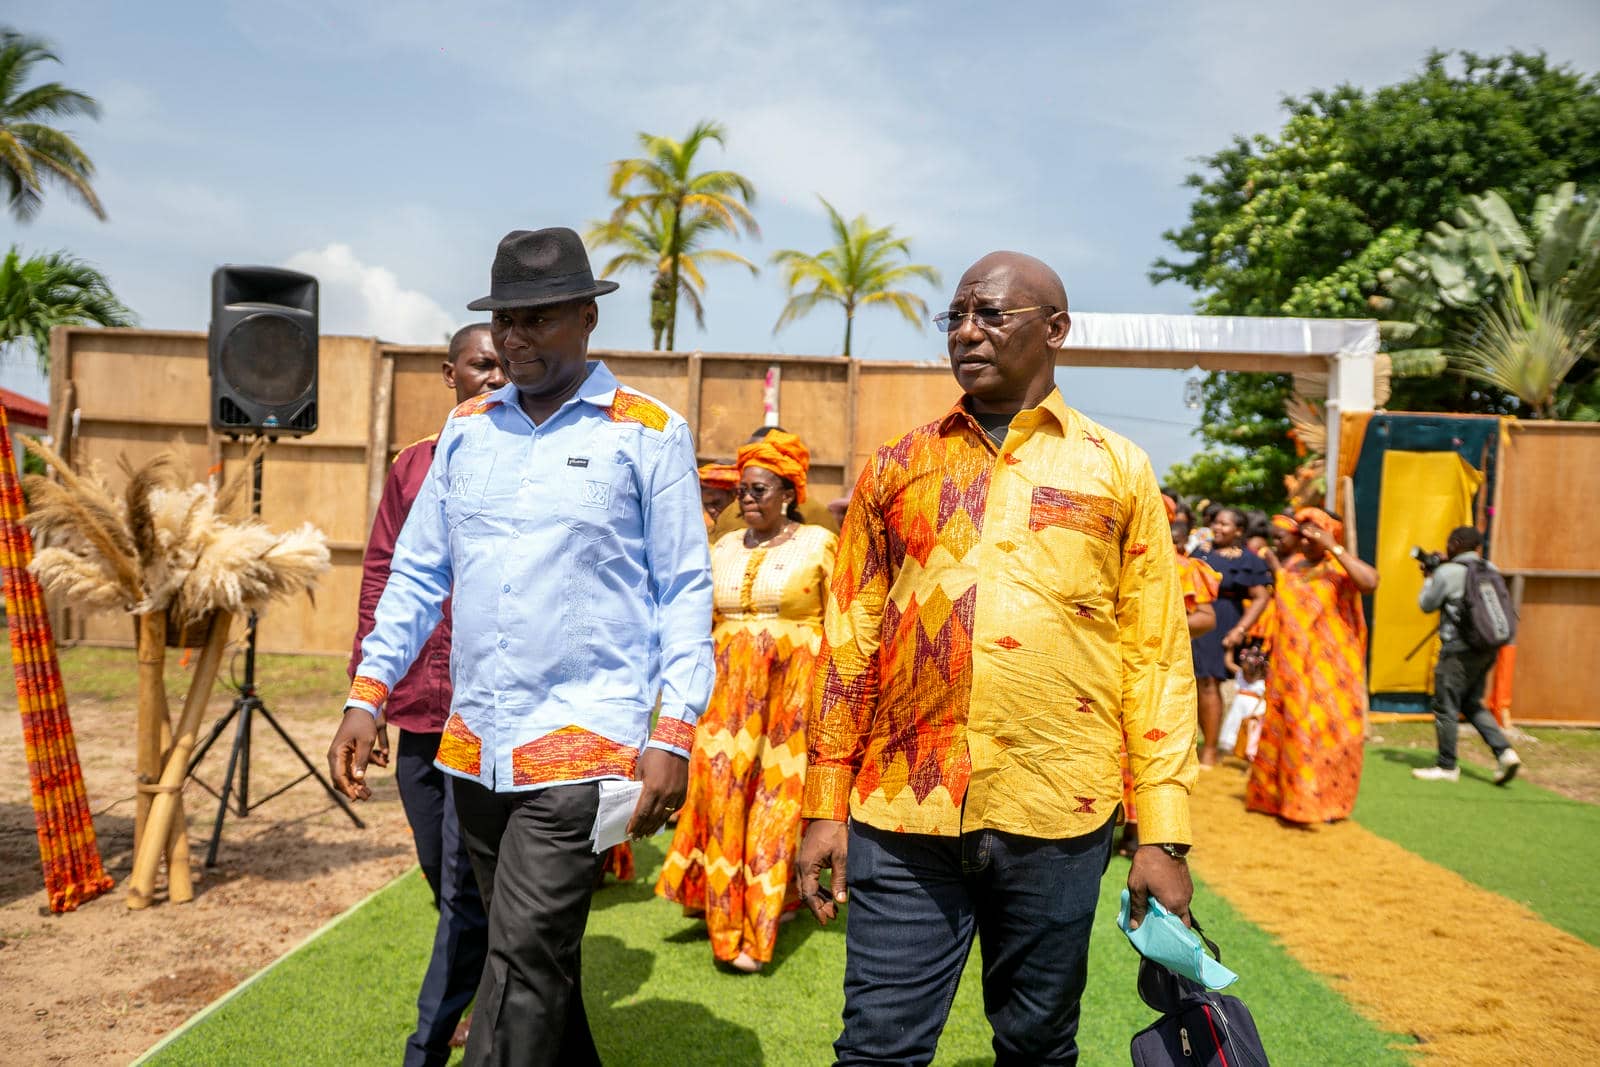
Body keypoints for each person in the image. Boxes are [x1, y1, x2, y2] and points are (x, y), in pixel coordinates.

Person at [797, 251, 1198, 1065]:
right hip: (904, 810)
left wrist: (1162, 832)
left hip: (1059, 811)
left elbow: (1155, 655)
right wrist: (823, 801)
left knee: (1037, 1045)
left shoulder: (1116, 468)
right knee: (876, 1048)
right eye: (956, 316)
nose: (966, 331)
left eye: (990, 314)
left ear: (1055, 329)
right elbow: (849, 639)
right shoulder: (897, 465)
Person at [326, 227, 713, 1067]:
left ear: (587, 318)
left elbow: (684, 591)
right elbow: (417, 573)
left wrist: (674, 731)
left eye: (537, 318)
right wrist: (368, 692)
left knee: (523, 961)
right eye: (505, 319)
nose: (515, 337)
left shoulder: (646, 432)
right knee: (528, 949)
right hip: (476, 747)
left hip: (581, 744)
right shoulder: (467, 430)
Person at [348, 323, 499, 1065]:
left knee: (468, 876)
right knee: (441, 869)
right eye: (480, 365)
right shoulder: (413, 465)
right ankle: (489, 981)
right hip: (416, 705)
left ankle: (461, 1019)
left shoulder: (525, 457)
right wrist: (367, 694)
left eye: (503, 365)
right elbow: (382, 573)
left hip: (487, 714)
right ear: (450, 373)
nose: (495, 377)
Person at [657, 430, 837, 973]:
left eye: (759, 490)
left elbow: (840, 624)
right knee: (721, 800)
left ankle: (757, 934)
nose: (748, 499)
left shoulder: (819, 545)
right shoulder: (723, 548)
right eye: (743, 491)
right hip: (725, 701)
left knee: (775, 808)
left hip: (790, 703)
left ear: (788, 493)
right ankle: (721, 918)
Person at [1246, 507, 1379, 824]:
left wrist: (1334, 547)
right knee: (1295, 731)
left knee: (1330, 734)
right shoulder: (1293, 567)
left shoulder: (1339, 568)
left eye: (1312, 536)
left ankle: (1328, 803)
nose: (1304, 542)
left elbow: (1370, 582)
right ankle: (1291, 801)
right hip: (1293, 670)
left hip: (1332, 671)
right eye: (1301, 536)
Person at [1117, 505, 1216, 856]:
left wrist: (1156, 626)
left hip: (1156, 670)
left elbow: (1206, 617)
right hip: (1108, 665)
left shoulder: (1183, 566)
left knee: (1148, 743)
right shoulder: (1107, 554)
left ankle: (1139, 831)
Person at [1412, 526, 1521, 784]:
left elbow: (1426, 604)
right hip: (1487, 647)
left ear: (1457, 543)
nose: (1446, 546)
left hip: (1457, 650)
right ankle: (1505, 753)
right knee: (1471, 703)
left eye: (1450, 542)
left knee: (1445, 705)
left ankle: (1447, 765)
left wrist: (1431, 576)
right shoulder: (1489, 568)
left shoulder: (1448, 572)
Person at [1192, 507, 1273, 766]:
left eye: (1224, 524)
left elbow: (1261, 597)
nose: (1218, 528)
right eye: (1216, 523)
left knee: (1209, 681)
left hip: (1223, 619)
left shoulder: (1247, 559)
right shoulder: (1201, 551)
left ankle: (1210, 750)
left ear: (1238, 530)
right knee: (1197, 683)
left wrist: (1240, 629)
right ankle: (1204, 742)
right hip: (1196, 616)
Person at [710, 425, 840, 537]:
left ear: (788, 496)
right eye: (752, 455)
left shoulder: (819, 522)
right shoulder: (730, 518)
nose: (748, 499)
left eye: (759, 489)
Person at [698, 462, 739, 534]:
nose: (711, 510)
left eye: (716, 503)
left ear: (734, 494)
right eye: (706, 505)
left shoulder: (750, 527)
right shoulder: (702, 526)